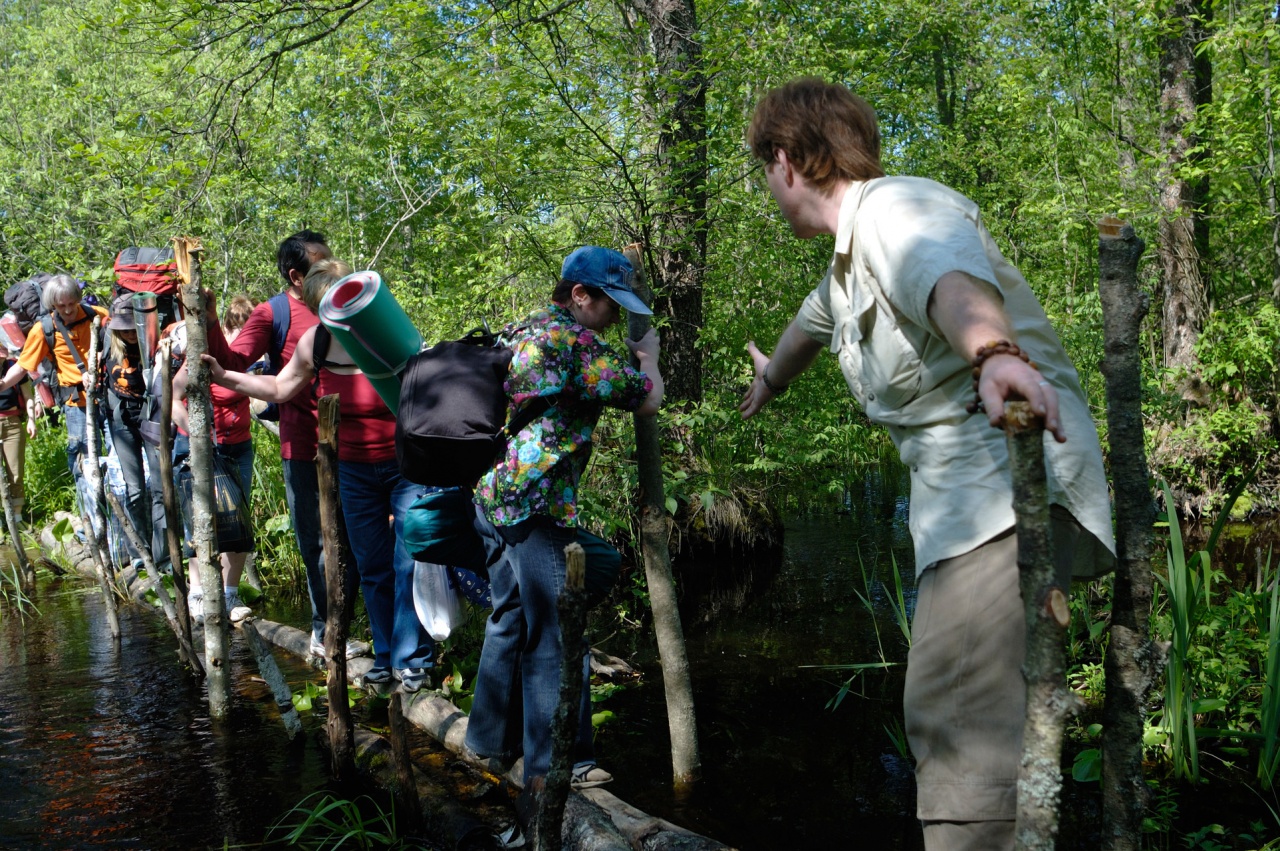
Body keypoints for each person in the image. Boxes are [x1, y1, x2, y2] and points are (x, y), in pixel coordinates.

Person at [739, 78, 1115, 850]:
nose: (767, 191)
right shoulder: (844, 269)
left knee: (954, 722)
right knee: (967, 720)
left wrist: (995, 353)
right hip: (971, 511)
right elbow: (808, 329)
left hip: (999, 496)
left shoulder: (893, 211)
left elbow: (944, 277)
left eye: (764, 172)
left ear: (784, 159)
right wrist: (769, 379)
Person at [463, 246, 664, 793]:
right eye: (609, 305)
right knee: (554, 630)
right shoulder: (573, 342)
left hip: (493, 495)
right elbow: (647, 400)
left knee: (509, 617)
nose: (617, 316)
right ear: (579, 295)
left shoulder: (526, 329)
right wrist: (648, 356)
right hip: (535, 503)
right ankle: (560, 764)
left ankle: (486, 739)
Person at [204, 260, 432, 691]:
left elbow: (427, 387)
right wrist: (226, 376)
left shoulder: (383, 328)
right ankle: (386, 658)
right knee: (373, 565)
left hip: (406, 466)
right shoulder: (318, 341)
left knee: (410, 561)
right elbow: (278, 388)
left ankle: (413, 659)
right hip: (353, 470)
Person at [204, 231, 337, 657]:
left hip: (357, 444)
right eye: (319, 264)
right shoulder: (272, 313)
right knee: (315, 542)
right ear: (296, 275)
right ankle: (323, 629)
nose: (328, 270)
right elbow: (232, 362)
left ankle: (366, 634)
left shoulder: (344, 304)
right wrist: (208, 319)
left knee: (357, 542)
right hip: (303, 444)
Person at [171, 295, 258, 622]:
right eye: (236, 331)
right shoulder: (204, 357)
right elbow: (172, 398)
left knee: (239, 522)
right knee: (200, 520)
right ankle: (197, 594)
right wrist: (196, 432)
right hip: (202, 447)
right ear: (225, 330)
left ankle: (229, 595)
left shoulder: (248, 361)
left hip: (239, 446)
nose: (242, 342)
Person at [0, 275, 108, 498]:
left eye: (72, 304)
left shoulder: (97, 315)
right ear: (52, 305)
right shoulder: (43, 329)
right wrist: (1, 385)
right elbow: (22, 367)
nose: (68, 310)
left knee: (116, 459)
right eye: (61, 306)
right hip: (76, 404)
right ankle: (90, 517)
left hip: (109, 397)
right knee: (83, 462)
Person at [101, 293, 166, 567]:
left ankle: (164, 556)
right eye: (122, 328)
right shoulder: (106, 341)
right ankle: (142, 555)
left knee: (161, 490)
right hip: (122, 420)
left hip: (151, 416)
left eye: (131, 327)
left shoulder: (155, 343)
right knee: (135, 490)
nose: (127, 333)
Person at [0, 353, 38, 519]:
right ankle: (2, 522)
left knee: (15, 472)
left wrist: (31, 420)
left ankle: (17, 517)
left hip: (12, 423)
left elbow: (28, 396)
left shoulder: (13, 367)